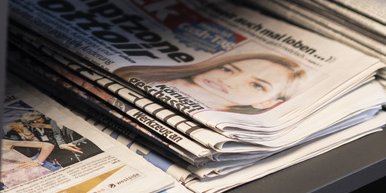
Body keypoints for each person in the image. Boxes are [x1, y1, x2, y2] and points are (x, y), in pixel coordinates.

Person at [114, 51, 307, 115]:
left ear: (267, 103)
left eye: (257, 85)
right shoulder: (138, 74)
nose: (228, 79)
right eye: (227, 69)